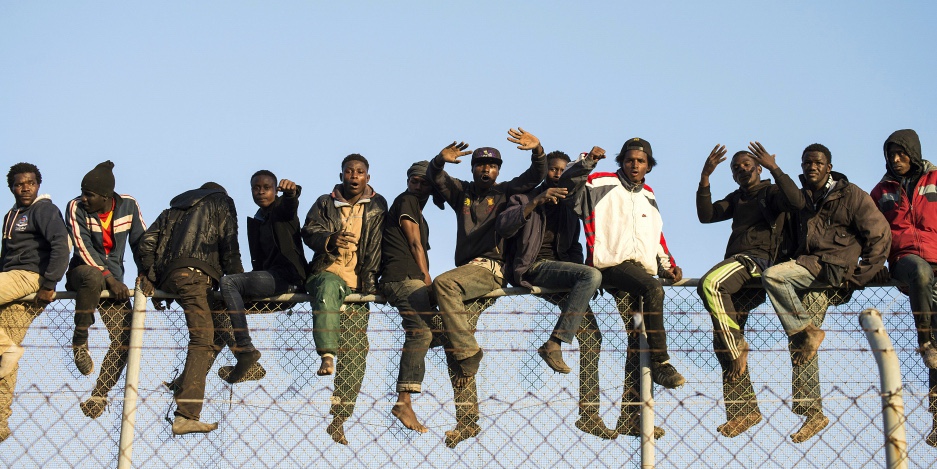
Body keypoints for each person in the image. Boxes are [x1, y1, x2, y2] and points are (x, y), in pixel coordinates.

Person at [762, 143, 890, 443]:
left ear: (829, 166)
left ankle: (805, 339)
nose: (812, 167)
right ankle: (812, 412)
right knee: (803, 341)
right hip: (807, 273)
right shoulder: (801, 197)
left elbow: (880, 235)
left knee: (774, 278)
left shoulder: (851, 195)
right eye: (807, 162)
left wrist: (860, 276)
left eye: (818, 162)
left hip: (830, 272)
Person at [428, 128, 547, 447]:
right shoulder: (462, 193)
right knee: (456, 344)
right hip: (468, 274)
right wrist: (439, 160)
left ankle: (467, 349)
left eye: (492, 165)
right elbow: (435, 177)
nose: (486, 169)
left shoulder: (505, 192)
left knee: (443, 283)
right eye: (480, 164)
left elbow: (536, 176)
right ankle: (467, 421)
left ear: (498, 170)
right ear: (472, 168)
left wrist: (538, 150)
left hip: (489, 270)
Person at [561, 138, 685, 438]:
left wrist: (669, 266)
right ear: (622, 161)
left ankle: (630, 417)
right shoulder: (601, 182)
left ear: (648, 166)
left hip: (639, 274)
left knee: (637, 339)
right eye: (630, 159)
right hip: (612, 266)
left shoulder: (649, 195)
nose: (635, 165)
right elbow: (568, 188)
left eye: (641, 161)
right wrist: (588, 161)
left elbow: (656, 236)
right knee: (655, 290)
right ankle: (662, 362)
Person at [496, 148, 615, 439]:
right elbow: (505, 226)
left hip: (561, 272)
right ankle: (555, 343)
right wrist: (536, 201)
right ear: (544, 171)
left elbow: (573, 248)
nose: (557, 175)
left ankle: (589, 415)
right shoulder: (524, 196)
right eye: (553, 170)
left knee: (591, 335)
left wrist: (580, 283)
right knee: (592, 274)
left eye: (562, 170)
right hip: (533, 268)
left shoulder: (567, 206)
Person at [696, 143, 804, 437]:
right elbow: (706, 215)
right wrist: (705, 177)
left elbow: (796, 202)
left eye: (746, 164)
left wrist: (775, 168)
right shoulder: (738, 198)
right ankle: (744, 412)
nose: (741, 169)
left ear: (757, 167)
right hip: (738, 272)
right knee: (723, 344)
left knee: (710, 283)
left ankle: (737, 344)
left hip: (757, 263)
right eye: (735, 168)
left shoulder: (770, 193)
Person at [137, 182, 244, 435]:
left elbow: (147, 243)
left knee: (213, 330)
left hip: (174, 277)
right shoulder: (221, 202)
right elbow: (230, 247)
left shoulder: (173, 209)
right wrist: (240, 284)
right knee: (201, 339)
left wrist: (153, 275)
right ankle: (186, 414)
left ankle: (183, 383)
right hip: (196, 276)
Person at [302, 154, 386, 445]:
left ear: (367, 177)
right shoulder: (325, 202)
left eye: (360, 172)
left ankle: (339, 419)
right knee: (326, 289)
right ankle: (326, 353)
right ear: (341, 175)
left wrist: (374, 281)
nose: (354, 176)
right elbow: (309, 230)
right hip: (327, 271)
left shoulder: (377, 205)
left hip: (358, 284)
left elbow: (378, 245)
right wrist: (330, 238)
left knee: (356, 350)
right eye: (349, 171)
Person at [870, 129, 937, 446]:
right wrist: (875, 264)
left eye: (901, 154)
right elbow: (867, 232)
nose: (896, 160)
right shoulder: (882, 191)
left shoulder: (935, 179)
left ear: (914, 152)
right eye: (891, 155)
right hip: (906, 261)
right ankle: (924, 340)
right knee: (920, 273)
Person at [64, 161, 147, 419]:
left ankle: (100, 394)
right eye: (83, 192)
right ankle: (80, 342)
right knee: (91, 276)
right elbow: (82, 247)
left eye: (89, 194)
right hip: (84, 274)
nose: (84, 198)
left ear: (106, 197)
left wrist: (146, 274)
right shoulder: (75, 207)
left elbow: (141, 243)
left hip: (116, 284)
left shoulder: (128, 205)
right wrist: (110, 279)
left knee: (125, 339)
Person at [0, 162, 69, 443]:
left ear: (38, 184)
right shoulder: (11, 215)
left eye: (30, 182)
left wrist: (50, 283)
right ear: (11, 188)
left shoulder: (43, 210)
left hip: (29, 277)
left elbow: (60, 246)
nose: (25, 187)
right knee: (5, 359)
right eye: (19, 184)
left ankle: (7, 347)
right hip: (9, 277)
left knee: (7, 352)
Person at [217, 170, 307, 384]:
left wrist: (292, 194)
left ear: (275, 190)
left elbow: (289, 207)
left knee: (229, 283)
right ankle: (246, 364)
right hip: (269, 279)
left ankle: (246, 348)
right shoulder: (258, 220)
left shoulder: (281, 211)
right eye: (256, 188)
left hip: (287, 279)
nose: (261, 192)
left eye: (266, 188)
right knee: (218, 307)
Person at [379, 160, 443, 434]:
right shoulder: (406, 201)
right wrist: (426, 277)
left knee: (439, 330)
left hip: (408, 277)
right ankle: (403, 401)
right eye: (413, 181)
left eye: (423, 182)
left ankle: (463, 378)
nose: (417, 186)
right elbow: (415, 243)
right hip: (402, 277)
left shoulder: (418, 209)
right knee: (421, 333)